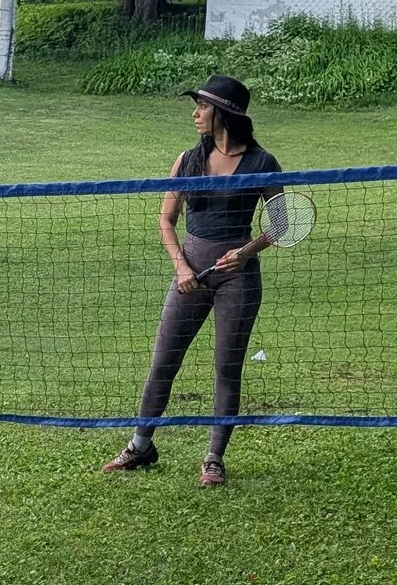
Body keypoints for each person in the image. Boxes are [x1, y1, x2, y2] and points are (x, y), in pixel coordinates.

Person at [104, 74, 284, 487]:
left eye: (202, 106)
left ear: (224, 113)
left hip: (238, 278)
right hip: (191, 274)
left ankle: (214, 459)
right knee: (163, 361)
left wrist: (245, 253)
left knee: (226, 369)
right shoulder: (187, 160)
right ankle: (140, 446)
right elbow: (166, 220)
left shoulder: (262, 163)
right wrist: (181, 268)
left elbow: (281, 224)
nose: (196, 113)